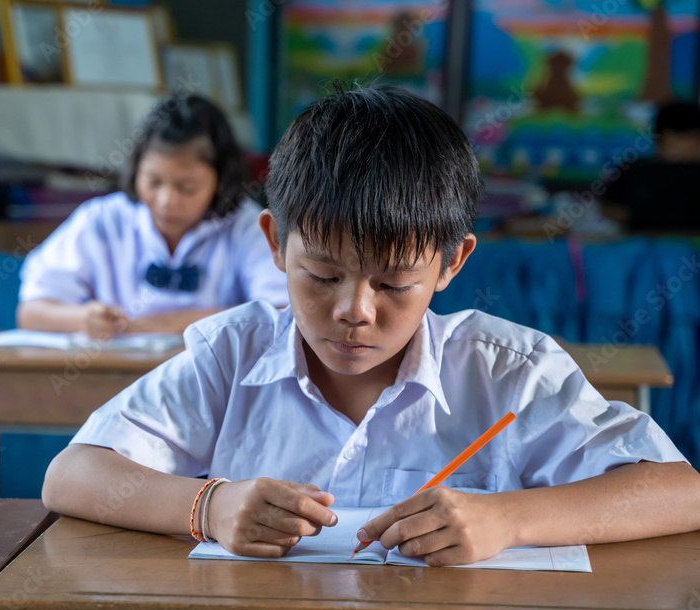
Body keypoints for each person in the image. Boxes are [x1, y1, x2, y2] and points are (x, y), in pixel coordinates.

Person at [42, 85, 700, 565]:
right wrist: (207, 506)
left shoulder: (509, 371)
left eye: (392, 283)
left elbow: (680, 491)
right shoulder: (231, 353)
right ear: (274, 243)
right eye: (322, 275)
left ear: (451, 262)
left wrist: (510, 517)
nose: (355, 309)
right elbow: (70, 474)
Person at [16, 95, 288, 338]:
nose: (166, 201)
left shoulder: (249, 227)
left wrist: (155, 324)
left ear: (220, 181)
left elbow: (282, 311)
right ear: (136, 170)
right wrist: (82, 318)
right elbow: (30, 312)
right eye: (153, 181)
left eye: (186, 187)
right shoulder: (102, 221)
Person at [601, 100, 700, 234]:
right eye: (675, 148)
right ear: (658, 144)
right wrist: (642, 214)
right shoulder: (632, 170)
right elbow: (608, 209)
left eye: (693, 147)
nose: (685, 156)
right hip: (644, 247)